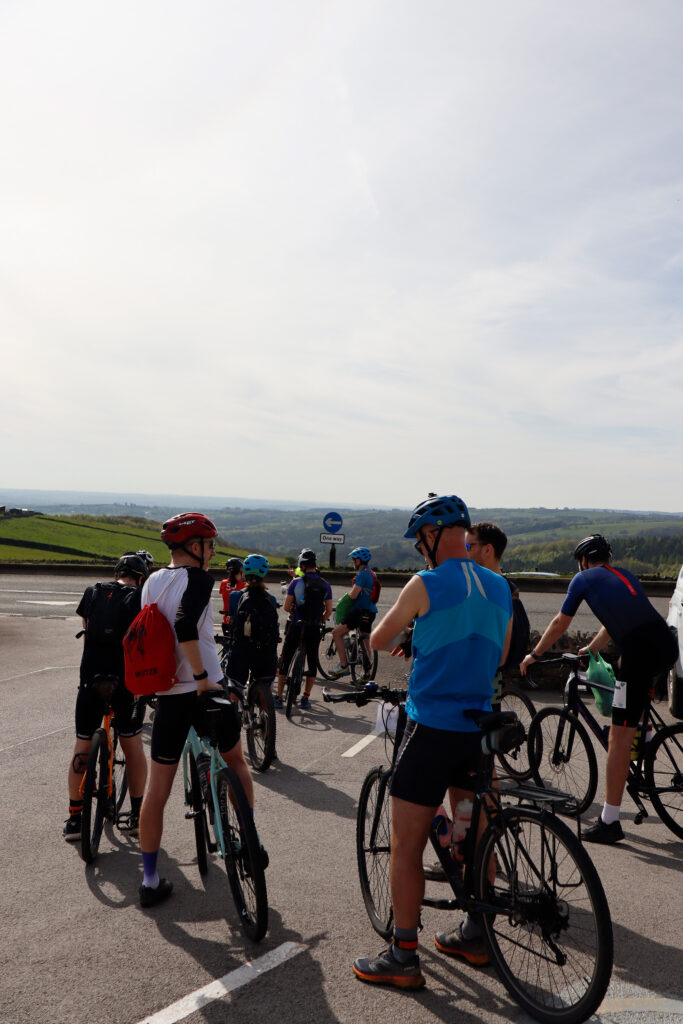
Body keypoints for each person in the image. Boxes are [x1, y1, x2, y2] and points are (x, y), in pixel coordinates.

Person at [352, 494, 512, 990]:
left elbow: (380, 638)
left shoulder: (425, 582)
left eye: (421, 539)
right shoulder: (501, 586)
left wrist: (416, 631)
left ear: (433, 535)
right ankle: (476, 933)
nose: (420, 549)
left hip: (432, 728)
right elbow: (501, 654)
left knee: (406, 845)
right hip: (478, 728)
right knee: (474, 834)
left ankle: (402, 955)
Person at [137, 513, 266, 908]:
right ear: (194, 547)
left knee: (156, 791)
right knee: (236, 762)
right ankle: (250, 841)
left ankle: (149, 878)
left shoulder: (152, 581)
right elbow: (184, 625)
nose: (212, 551)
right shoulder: (199, 579)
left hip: (167, 693)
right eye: (209, 545)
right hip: (203, 687)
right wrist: (203, 678)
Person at [520, 533, 677, 844]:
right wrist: (591, 649)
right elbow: (612, 622)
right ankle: (645, 737)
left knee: (618, 741)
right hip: (664, 645)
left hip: (640, 651)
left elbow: (559, 623)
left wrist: (534, 654)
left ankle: (610, 821)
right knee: (623, 672)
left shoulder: (583, 580)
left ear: (583, 560)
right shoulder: (624, 574)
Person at [64, 553, 150, 841]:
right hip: (124, 683)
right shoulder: (139, 598)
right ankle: (137, 816)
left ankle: (75, 819)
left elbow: (87, 637)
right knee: (132, 743)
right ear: (140, 577)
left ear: (116, 573)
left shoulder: (93, 593)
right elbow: (143, 646)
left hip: (91, 679)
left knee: (82, 744)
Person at [466, 521, 531, 707]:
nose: (464, 552)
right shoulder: (508, 587)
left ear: (487, 550)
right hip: (494, 676)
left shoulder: (486, 590)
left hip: (480, 678)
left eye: (468, 546)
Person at [275, 550, 332, 710]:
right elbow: (328, 611)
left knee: (286, 658)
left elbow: (286, 607)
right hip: (314, 628)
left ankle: (279, 697)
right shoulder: (325, 584)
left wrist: (295, 612)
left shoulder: (296, 583)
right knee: (312, 661)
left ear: (302, 565)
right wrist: (319, 620)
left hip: (297, 625)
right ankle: (306, 698)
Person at [225, 554, 279, 691]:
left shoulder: (235, 596)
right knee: (263, 684)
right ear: (264, 575)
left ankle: (236, 709)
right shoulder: (271, 599)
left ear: (244, 573)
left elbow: (231, 620)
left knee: (235, 688)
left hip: (241, 650)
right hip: (264, 652)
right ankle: (265, 707)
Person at [329, 547, 378, 679]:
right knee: (365, 641)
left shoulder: (362, 574)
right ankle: (367, 675)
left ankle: (343, 666)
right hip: (371, 612)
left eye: (354, 559)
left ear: (359, 560)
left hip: (359, 612)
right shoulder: (372, 573)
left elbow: (354, 595)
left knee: (336, 633)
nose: (353, 562)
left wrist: (342, 602)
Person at [219, 557, 245, 634]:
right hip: (238, 622)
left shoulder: (223, 583)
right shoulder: (244, 585)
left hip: (226, 621)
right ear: (240, 569)